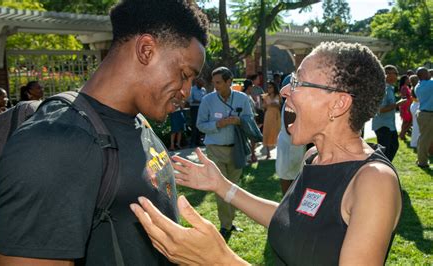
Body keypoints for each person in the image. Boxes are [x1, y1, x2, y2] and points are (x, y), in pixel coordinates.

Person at [131, 42, 402, 265]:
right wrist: (222, 186)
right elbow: (292, 221)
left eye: (298, 82)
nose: (284, 90)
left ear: (339, 103)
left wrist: (220, 260)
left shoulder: (374, 182)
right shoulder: (313, 159)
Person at [0, 1, 208, 265]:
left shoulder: (139, 122)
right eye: (184, 74)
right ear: (146, 50)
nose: (187, 91)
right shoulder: (52, 145)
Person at [196, 66, 253, 239]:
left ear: (230, 82)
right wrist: (217, 125)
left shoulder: (242, 98)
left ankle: (231, 221)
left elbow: (250, 120)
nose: (216, 86)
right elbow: (200, 124)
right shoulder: (207, 100)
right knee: (221, 189)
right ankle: (225, 224)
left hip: (236, 148)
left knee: (233, 188)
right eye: (214, 83)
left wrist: (239, 121)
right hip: (215, 150)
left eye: (219, 82)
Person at [276, 74, 306, 195]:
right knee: (289, 180)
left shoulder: (294, 104)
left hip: (293, 146)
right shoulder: (291, 105)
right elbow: (291, 129)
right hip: (291, 147)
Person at [372, 65, 405, 162]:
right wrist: (398, 104)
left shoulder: (390, 88)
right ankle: (381, 170)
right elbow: (380, 110)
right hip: (382, 125)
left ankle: (385, 168)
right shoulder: (383, 89)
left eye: (396, 73)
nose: (395, 76)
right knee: (385, 152)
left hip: (389, 124)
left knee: (393, 146)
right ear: (386, 75)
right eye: (394, 73)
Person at [414, 67, 433, 168]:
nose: (429, 74)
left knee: (423, 138)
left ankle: (420, 158)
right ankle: (422, 162)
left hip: (423, 113)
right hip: (428, 114)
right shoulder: (430, 84)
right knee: (425, 139)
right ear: (423, 75)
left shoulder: (418, 85)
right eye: (427, 72)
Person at [261, 80, 282, 159]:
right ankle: (268, 153)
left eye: (270, 87)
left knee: (277, 132)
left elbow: (280, 106)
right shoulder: (265, 96)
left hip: (276, 116)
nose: (269, 89)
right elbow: (263, 107)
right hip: (268, 115)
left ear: (274, 87)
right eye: (268, 87)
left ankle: (278, 153)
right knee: (267, 132)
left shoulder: (278, 95)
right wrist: (266, 104)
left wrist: (276, 104)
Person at [188, 78, 206, 147]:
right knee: (194, 125)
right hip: (194, 108)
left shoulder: (203, 90)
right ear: (197, 83)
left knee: (200, 124)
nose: (202, 86)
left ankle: (198, 141)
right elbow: (190, 100)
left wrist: (200, 101)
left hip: (201, 109)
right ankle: (193, 142)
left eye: (203, 85)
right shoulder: (192, 89)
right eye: (201, 84)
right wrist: (200, 101)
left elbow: (205, 99)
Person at [398, 75, 412, 140]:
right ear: (404, 80)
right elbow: (404, 97)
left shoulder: (407, 87)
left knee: (408, 121)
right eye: (408, 79)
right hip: (405, 106)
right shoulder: (404, 87)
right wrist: (407, 107)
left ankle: (402, 134)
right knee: (406, 121)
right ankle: (402, 134)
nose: (409, 80)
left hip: (408, 106)